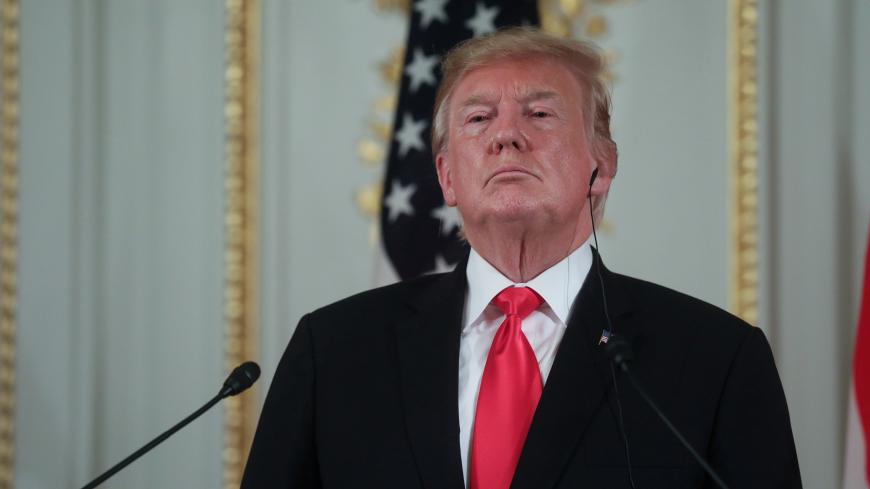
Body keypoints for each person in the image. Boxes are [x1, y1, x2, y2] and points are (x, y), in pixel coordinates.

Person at [241, 27, 801, 489]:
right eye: (479, 118)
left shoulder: (717, 359)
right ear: (447, 177)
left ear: (600, 167)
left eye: (539, 114)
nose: (506, 136)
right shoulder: (334, 351)